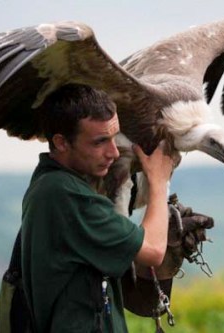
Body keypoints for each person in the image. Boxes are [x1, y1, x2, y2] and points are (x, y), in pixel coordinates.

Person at [21, 83, 174, 332]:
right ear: (61, 142)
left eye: (114, 137)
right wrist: (158, 181)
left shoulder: (52, 184)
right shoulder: (68, 195)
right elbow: (154, 251)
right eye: (99, 142)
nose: (113, 152)